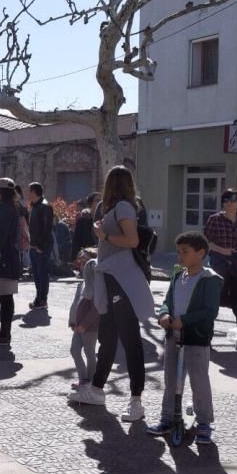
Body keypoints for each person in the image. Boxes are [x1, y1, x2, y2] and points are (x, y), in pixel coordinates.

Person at [69, 166, 154, 422]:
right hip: (112, 278)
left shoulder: (125, 208)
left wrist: (103, 235)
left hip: (122, 281)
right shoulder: (114, 208)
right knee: (108, 338)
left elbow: (132, 241)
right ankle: (96, 389)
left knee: (129, 340)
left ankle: (136, 401)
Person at [148, 232, 221, 444]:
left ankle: (204, 422)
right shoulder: (178, 275)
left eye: (185, 252)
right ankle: (168, 418)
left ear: (201, 253)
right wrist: (163, 314)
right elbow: (167, 300)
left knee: (199, 381)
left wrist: (185, 320)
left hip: (196, 338)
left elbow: (210, 311)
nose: (180, 256)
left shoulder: (210, 279)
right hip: (173, 336)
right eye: (179, 252)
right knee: (171, 380)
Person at [203, 188, 237, 351]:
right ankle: (207, 337)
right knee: (214, 299)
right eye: (225, 200)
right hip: (220, 261)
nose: (229, 203)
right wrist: (224, 250)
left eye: (232, 200)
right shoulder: (214, 219)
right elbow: (207, 241)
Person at [0, 179, 23, 346]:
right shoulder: (13, 208)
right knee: (6, 297)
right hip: (10, 256)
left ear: (1, 192)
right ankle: (4, 333)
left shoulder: (4, 209)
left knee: (4, 297)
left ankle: (4, 334)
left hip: (3, 257)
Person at [69, 248, 100, 389]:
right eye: (80, 262)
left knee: (89, 353)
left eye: (84, 262)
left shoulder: (95, 285)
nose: (81, 266)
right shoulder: (82, 283)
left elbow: (96, 309)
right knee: (74, 350)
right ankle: (83, 379)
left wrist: (85, 325)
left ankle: (91, 381)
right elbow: (75, 304)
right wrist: (72, 321)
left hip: (90, 327)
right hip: (78, 325)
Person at [27, 182, 54, 310]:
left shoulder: (44, 206)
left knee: (42, 274)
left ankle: (43, 300)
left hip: (41, 246)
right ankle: (38, 298)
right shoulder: (35, 206)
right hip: (34, 245)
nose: (28, 194)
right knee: (37, 274)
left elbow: (47, 228)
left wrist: (41, 247)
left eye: (29, 191)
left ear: (34, 192)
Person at [71, 192, 101, 260]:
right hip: (86, 257)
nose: (100, 203)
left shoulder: (105, 220)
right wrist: (74, 259)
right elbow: (76, 242)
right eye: (97, 200)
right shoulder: (83, 221)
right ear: (91, 204)